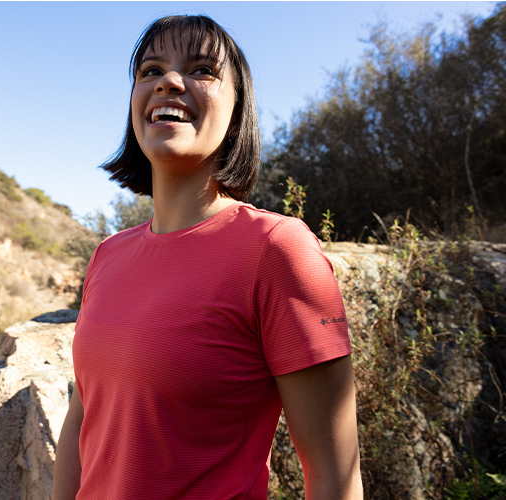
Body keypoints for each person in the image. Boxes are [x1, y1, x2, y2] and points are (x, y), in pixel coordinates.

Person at [53, 14, 363, 500]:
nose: (168, 82)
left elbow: (334, 477)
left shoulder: (277, 248)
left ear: (238, 109)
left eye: (201, 69)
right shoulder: (107, 256)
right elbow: (83, 418)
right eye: (149, 71)